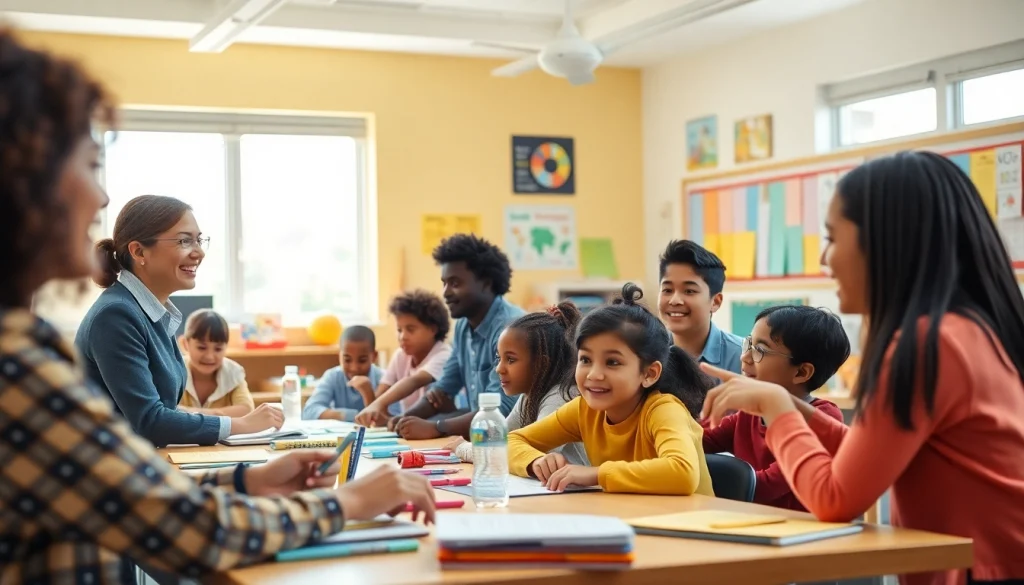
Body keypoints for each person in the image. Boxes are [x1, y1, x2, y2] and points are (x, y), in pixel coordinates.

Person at [0, 29, 435, 584]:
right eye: (88, 165)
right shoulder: (17, 362)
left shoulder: (30, 342)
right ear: (27, 181)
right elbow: (187, 525)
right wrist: (347, 502)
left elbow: (125, 491)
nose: (101, 197)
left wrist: (247, 481)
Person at [701, 151, 1024, 585]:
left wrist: (777, 408)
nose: (823, 259)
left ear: (886, 241)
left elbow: (834, 498)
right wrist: (794, 410)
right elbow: (871, 450)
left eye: (833, 238)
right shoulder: (964, 329)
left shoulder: (929, 344)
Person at [75, 194, 281, 447]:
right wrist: (240, 425)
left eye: (199, 240)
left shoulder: (152, 312)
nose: (199, 253)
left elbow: (162, 411)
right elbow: (150, 421)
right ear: (139, 251)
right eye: (185, 241)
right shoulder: (116, 315)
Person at [507, 284, 716, 495]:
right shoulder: (584, 409)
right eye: (586, 359)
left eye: (613, 362)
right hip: (631, 519)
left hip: (689, 523)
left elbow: (683, 472)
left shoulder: (664, 410)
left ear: (649, 374)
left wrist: (596, 474)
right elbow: (512, 441)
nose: (593, 374)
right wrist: (536, 461)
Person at [702, 305, 849, 511]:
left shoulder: (822, 417)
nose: (745, 357)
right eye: (748, 344)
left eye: (760, 350)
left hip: (798, 532)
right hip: (752, 521)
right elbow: (700, 439)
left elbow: (765, 488)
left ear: (801, 372)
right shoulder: (750, 413)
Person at [389, 234, 525, 440]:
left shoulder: (510, 329)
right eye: (444, 283)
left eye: (454, 283)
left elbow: (501, 410)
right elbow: (444, 389)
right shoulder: (463, 326)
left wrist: (436, 427)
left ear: (486, 283)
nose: (445, 293)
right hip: (483, 441)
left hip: (515, 445)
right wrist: (405, 418)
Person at [445, 302, 589, 466]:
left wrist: (464, 449)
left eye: (511, 360)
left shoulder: (560, 397)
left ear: (541, 364)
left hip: (580, 492)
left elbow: (518, 454)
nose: (499, 369)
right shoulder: (530, 395)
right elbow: (501, 439)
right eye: (499, 358)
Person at [355, 290, 452, 426]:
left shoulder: (443, 355)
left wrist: (377, 405)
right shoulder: (400, 355)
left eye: (410, 329)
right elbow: (379, 399)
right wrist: (372, 400)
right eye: (399, 330)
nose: (402, 337)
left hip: (439, 426)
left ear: (433, 329)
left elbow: (414, 381)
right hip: (412, 427)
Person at [658, 240, 743, 375]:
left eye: (689, 291)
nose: (674, 300)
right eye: (667, 290)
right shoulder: (648, 354)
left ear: (715, 302)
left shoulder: (743, 358)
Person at [178, 308, 255, 417]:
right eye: (201, 347)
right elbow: (165, 411)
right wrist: (220, 414)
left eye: (218, 349)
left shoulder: (233, 372)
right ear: (185, 344)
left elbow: (246, 410)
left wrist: (189, 412)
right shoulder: (174, 371)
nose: (210, 356)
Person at [303, 326, 386, 422]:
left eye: (362, 360)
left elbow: (389, 419)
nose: (354, 368)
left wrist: (368, 394)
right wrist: (353, 415)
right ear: (339, 356)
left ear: (374, 356)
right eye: (347, 360)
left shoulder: (384, 379)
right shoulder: (333, 376)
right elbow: (309, 411)